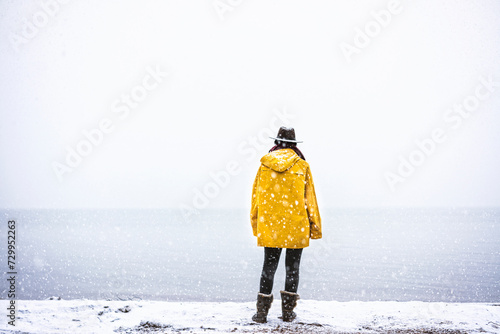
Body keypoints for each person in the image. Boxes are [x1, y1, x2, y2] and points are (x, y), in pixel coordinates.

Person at [250, 126, 322, 323]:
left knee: (269, 267)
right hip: (296, 225)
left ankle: (261, 314)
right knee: (292, 268)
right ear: (293, 144)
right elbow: (311, 200)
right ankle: (288, 313)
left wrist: (256, 225)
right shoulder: (302, 166)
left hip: (271, 226)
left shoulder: (264, 165)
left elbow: (256, 199)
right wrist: (314, 227)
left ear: (277, 142)